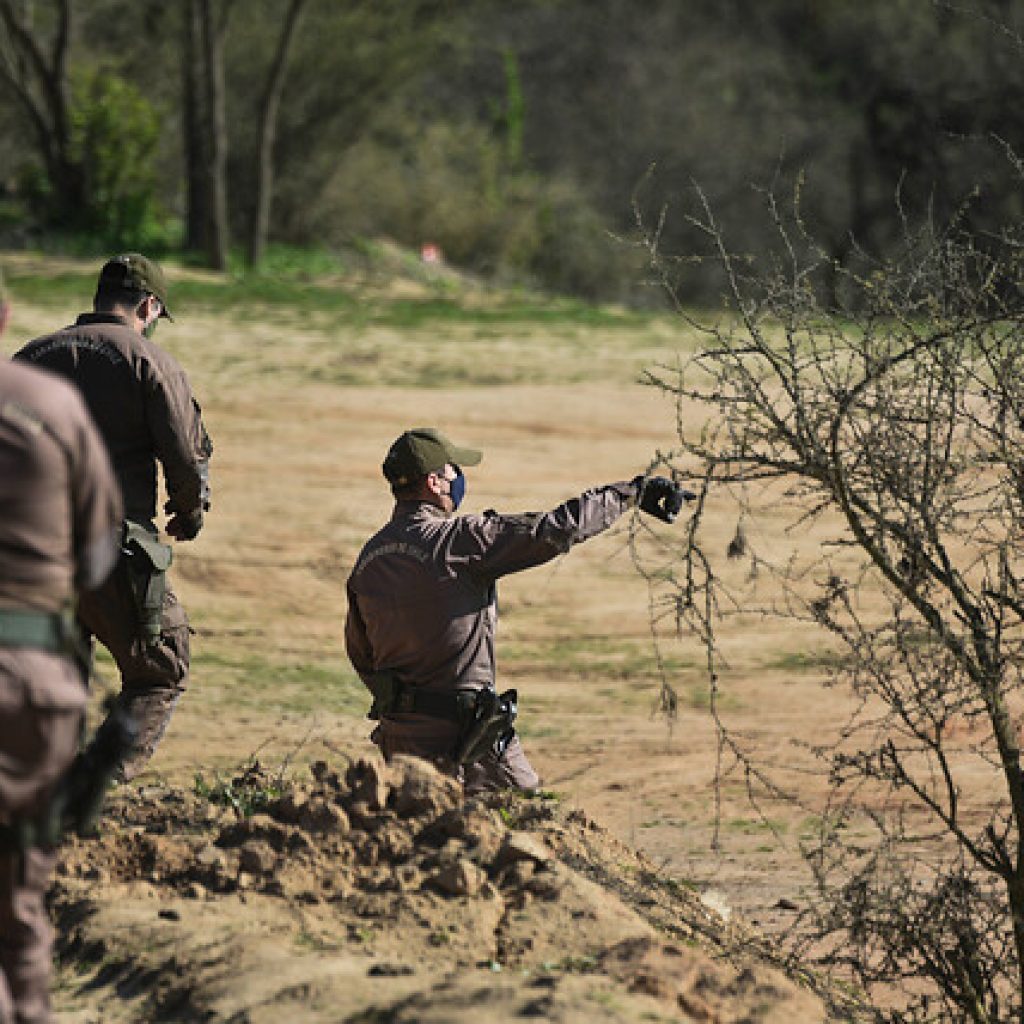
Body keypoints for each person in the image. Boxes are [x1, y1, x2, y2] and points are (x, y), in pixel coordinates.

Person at [344, 426, 690, 792]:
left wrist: (405, 708)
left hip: (402, 742)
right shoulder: (458, 541)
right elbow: (555, 530)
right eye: (453, 471)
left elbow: (361, 653)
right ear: (434, 483)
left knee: (419, 837)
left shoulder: (368, 560)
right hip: (468, 743)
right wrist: (630, 494)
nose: (459, 478)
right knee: (534, 829)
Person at [14, 253, 213, 781]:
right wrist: (190, 513)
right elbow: (186, 457)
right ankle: (90, 788)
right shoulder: (149, 361)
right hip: (110, 546)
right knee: (160, 669)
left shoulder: (31, 356)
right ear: (149, 305)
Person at [0, 269, 123, 1024]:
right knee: (19, 900)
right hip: (36, 690)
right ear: (5, 312)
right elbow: (99, 558)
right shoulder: (52, 406)